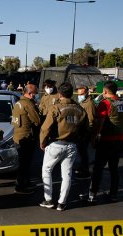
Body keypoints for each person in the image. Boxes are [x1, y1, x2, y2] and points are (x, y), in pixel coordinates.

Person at [39, 82, 89, 211]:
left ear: (60, 94)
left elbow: (45, 128)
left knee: (47, 170)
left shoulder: (56, 108)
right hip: (72, 145)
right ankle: (62, 202)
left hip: (56, 144)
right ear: (71, 93)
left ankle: (48, 199)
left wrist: (42, 142)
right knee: (67, 174)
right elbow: (85, 129)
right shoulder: (80, 109)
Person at [80, 81, 123, 203]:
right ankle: (113, 194)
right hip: (120, 140)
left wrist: (93, 137)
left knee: (97, 169)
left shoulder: (105, 103)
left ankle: (92, 195)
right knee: (114, 168)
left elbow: (99, 123)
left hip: (107, 141)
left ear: (105, 91)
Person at [11, 83, 41, 194]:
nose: (36, 95)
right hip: (27, 138)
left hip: (18, 137)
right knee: (24, 164)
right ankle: (20, 186)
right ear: (29, 93)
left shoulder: (18, 102)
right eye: (35, 93)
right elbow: (37, 121)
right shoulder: (28, 104)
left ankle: (26, 182)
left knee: (24, 163)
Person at [74, 85, 97, 178]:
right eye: (79, 94)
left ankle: (85, 171)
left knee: (83, 152)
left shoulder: (89, 104)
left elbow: (91, 120)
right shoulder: (82, 102)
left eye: (82, 94)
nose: (80, 95)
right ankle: (82, 167)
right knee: (81, 151)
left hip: (85, 132)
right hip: (81, 131)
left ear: (87, 93)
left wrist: (88, 132)